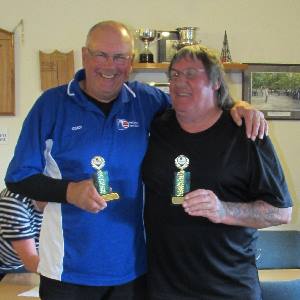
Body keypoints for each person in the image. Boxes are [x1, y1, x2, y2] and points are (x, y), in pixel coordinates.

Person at [5, 21, 267, 300]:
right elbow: (18, 177)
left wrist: (238, 106)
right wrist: (68, 191)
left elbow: (195, 106)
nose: (110, 65)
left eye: (119, 57)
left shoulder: (145, 100)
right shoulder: (51, 104)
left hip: (135, 271)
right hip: (67, 271)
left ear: (129, 62)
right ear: (85, 55)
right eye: (101, 55)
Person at [142, 44, 293, 300]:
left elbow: (281, 212)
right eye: (175, 75)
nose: (179, 82)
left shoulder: (246, 133)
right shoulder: (156, 127)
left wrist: (224, 210)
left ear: (215, 82)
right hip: (162, 288)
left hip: (228, 288)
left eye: (190, 73)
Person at [0, 188, 44, 281]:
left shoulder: (63, 206)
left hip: (22, 263)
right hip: (5, 265)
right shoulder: (14, 201)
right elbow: (30, 260)